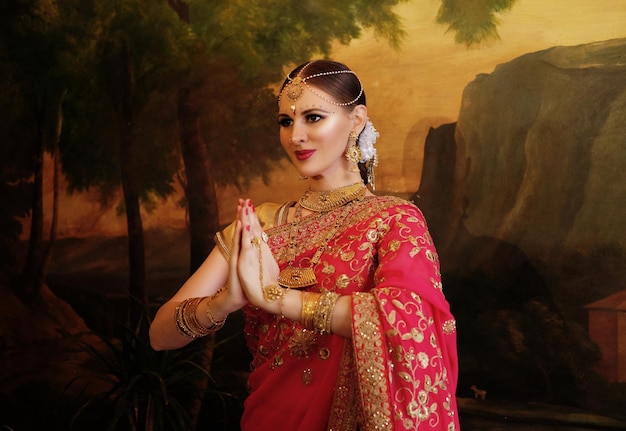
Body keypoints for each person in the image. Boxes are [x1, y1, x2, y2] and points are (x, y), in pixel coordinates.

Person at [149, 59, 460, 431]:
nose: (295, 135)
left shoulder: (393, 220)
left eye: (313, 117)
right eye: (285, 121)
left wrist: (274, 298)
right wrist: (227, 301)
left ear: (357, 120)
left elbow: (407, 323)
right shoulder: (258, 225)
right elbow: (159, 335)